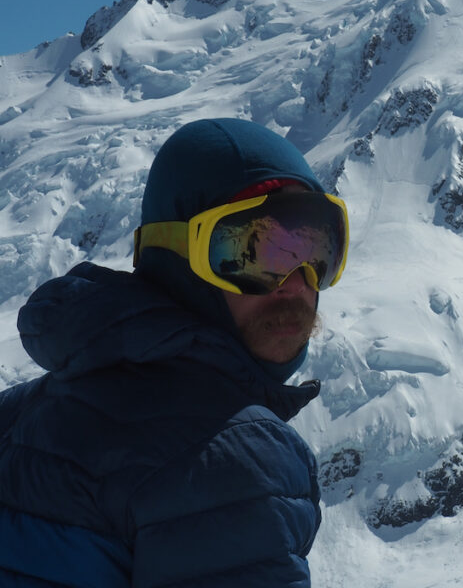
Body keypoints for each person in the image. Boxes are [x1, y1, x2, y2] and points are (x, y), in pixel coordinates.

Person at [0, 118, 349, 586]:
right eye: (252, 251)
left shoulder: (26, 412)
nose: (295, 283)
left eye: (314, 250)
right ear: (176, 262)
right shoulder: (233, 460)